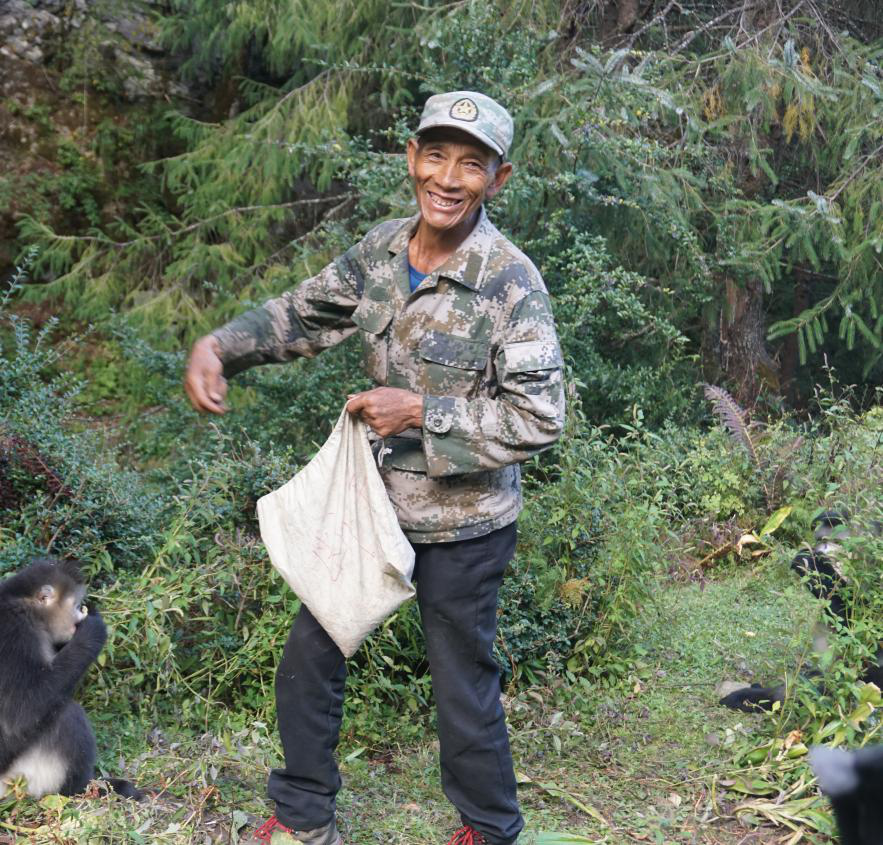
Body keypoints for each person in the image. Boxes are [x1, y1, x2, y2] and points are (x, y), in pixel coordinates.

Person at [183, 90, 567, 845]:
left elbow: (539, 418)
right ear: (410, 159)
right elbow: (301, 313)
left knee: (461, 688)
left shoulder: (510, 283)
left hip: (465, 527)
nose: (449, 178)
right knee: (308, 658)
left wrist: (420, 411)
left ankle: (488, 830)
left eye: (471, 164)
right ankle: (301, 818)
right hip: (374, 511)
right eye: (435, 156)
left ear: (499, 177)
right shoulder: (381, 252)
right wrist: (220, 345)